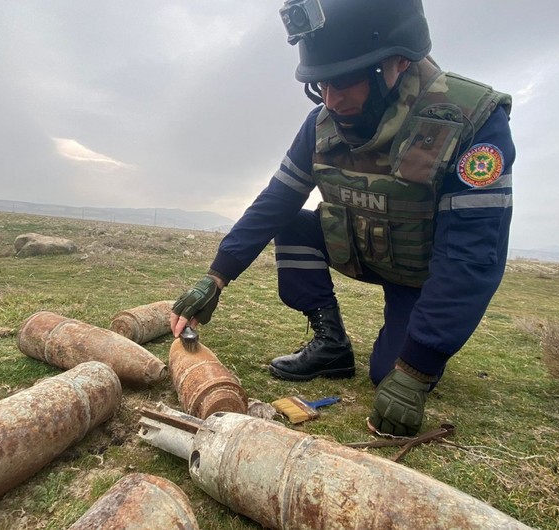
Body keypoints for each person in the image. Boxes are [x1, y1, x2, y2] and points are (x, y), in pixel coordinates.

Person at [170, 0, 515, 437]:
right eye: (320, 86)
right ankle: (330, 343)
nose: (331, 101)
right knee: (293, 224)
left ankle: (411, 355)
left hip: (422, 275)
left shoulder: (470, 122)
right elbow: (276, 201)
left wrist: (419, 365)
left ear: (397, 63)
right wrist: (216, 276)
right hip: (361, 249)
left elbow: (472, 257)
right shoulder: (321, 124)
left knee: (389, 373)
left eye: (345, 82)